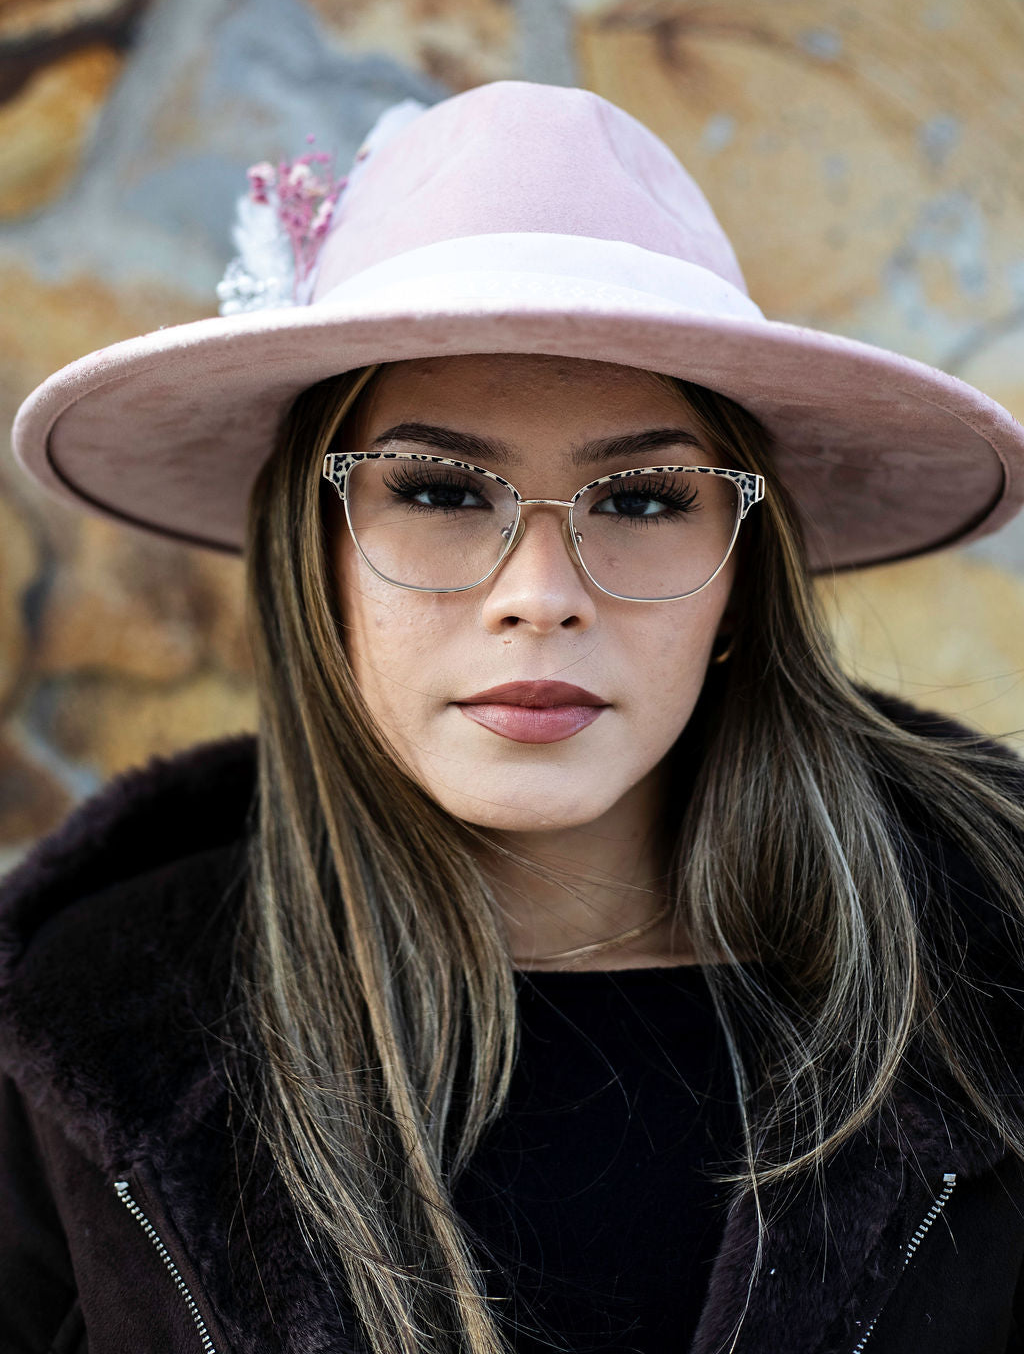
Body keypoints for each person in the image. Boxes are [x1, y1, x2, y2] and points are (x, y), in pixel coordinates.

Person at [2, 80, 1024, 1354]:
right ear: (316, 553)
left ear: (743, 573)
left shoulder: (988, 1002)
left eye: (642, 499)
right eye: (438, 490)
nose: (539, 595)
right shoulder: (85, 1038)